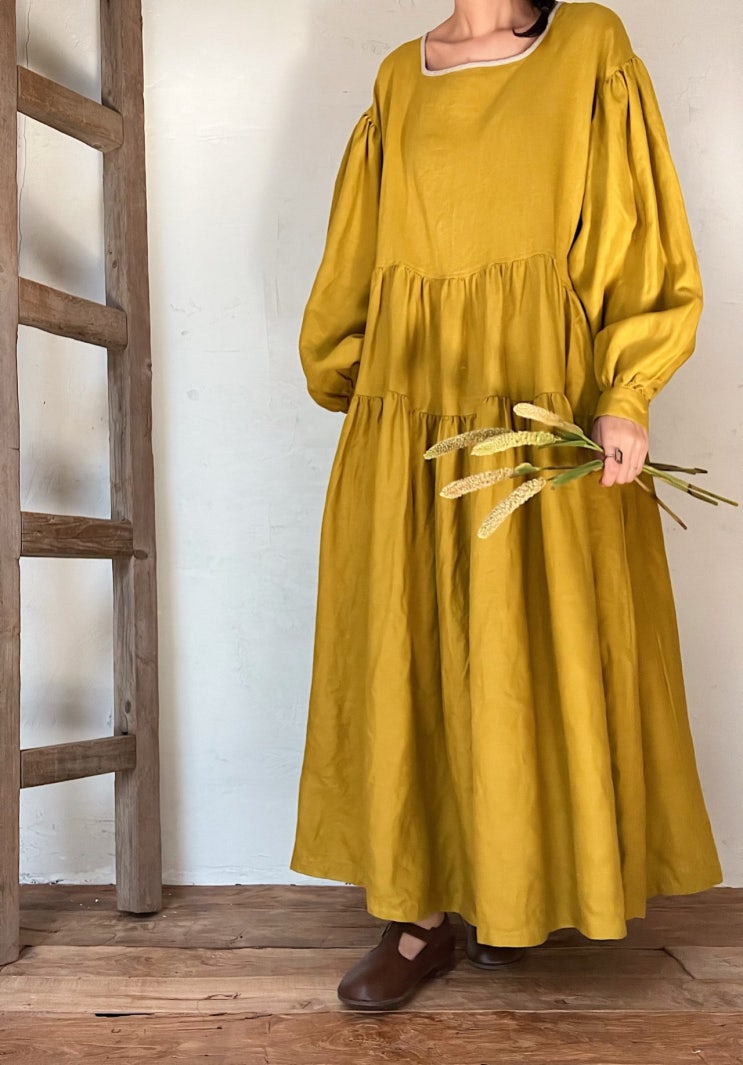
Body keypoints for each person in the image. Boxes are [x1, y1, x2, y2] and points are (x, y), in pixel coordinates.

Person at [290, 0, 723, 1011]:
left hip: (542, 404)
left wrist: (623, 394)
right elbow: (354, 257)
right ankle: (418, 918)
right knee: (411, 646)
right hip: (412, 408)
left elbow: (636, 232)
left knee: (528, 647)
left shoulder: (587, 47)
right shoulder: (399, 75)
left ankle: (515, 891)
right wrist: (360, 380)